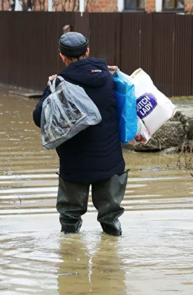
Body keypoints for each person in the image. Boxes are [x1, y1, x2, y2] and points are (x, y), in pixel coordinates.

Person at [32, 32, 128, 236]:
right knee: (110, 217)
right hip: (109, 162)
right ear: (88, 51)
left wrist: (49, 89)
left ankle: (71, 260)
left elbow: (39, 117)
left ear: (62, 57)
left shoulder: (59, 84)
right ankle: (112, 260)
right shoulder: (109, 77)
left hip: (74, 164)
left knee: (70, 218)